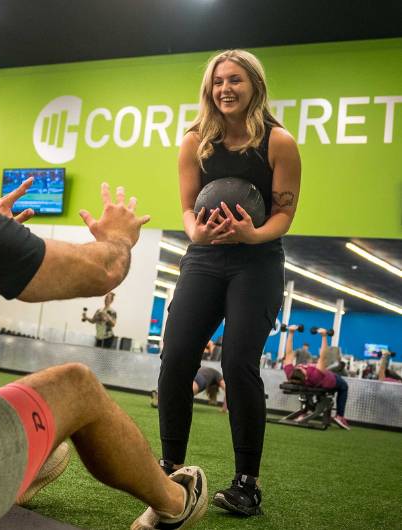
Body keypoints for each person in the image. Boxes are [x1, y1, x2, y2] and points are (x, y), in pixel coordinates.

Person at [0, 83, 207, 530]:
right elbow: (102, 271)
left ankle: (6, 475)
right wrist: (119, 236)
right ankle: (176, 502)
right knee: (77, 385)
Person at [156, 49, 301, 517]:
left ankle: (246, 484)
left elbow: (284, 213)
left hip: (256, 262)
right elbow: (186, 210)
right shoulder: (195, 142)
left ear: (255, 86)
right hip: (204, 257)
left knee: (239, 362)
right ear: (209, 89)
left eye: (235, 80)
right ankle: (170, 468)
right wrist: (196, 232)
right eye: (218, 82)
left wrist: (252, 234)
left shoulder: (279, 142)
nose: (225, 89)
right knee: (176, 357)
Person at [283, 326, 350, 430]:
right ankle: (340, 416)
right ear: (305, 376)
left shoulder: (290, 373)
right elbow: (324, 357)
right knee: (344, 386)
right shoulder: (314, 376)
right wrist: (324, 336)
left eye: (299, 368)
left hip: (321, 378)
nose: (301, 367)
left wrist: (291, 333)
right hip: (330, 380)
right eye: (302, 369)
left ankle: (307, 410)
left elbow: (289, 353)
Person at [151, 366, 228, 412]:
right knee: (185, 395)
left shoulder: (211, 372)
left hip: (193, 373)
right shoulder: (218, 375)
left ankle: (160, 396)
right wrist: (225, 408)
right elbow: (228, 391)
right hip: (201, 379)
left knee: (179, 390)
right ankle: (163, 402)